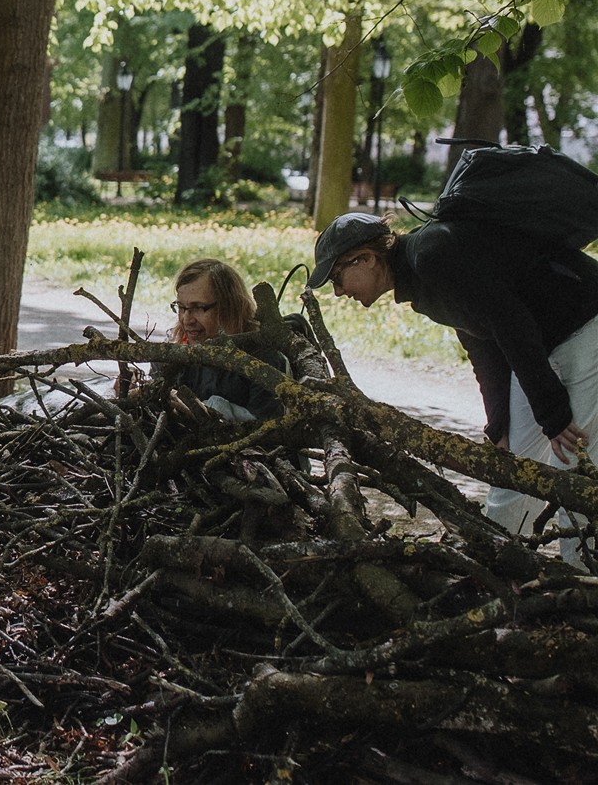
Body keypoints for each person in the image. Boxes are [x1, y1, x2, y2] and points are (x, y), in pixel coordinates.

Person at [316, 210, 598, 567]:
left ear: (368, 259)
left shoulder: (433, 254)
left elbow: (511, 323)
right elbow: (483, 343)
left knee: (576, 462)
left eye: (338, 277)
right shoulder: (422, 274)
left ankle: (582, 580)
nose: (340, 292)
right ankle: (497, 567)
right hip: (548, 343)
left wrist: (553, 415)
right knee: (513, 469)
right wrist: (500, 425)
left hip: (586, 322)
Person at [166, 257, 289, 422]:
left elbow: (268, 430)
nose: (187, 320)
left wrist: (210, 411)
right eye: (181, 307)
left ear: (229, 306)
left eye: (198, 308)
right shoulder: (185, 350)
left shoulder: (264, 358)